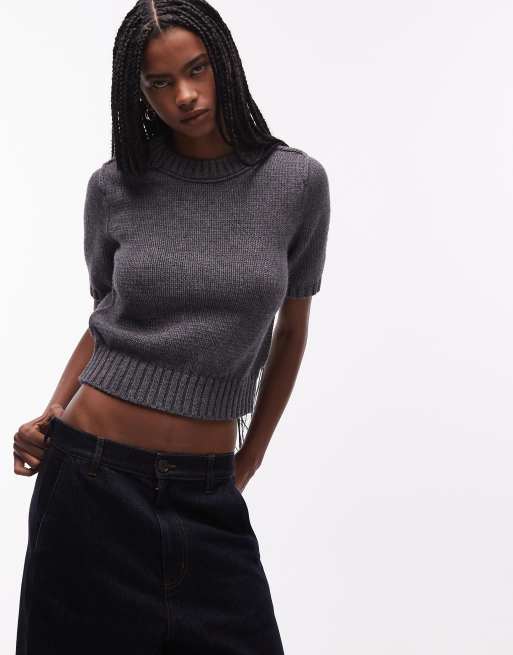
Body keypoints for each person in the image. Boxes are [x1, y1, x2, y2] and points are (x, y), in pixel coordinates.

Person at [14, 1, 330, 653]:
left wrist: (249, 457)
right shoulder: (114, 187)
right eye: (160, 82)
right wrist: (51, 412)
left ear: (224, 64)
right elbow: (107, 321)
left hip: (207, 493)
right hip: (89, 485)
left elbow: (292, 333)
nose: (183, 95)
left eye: (197, 69)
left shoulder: (296, 183)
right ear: (137, 91)